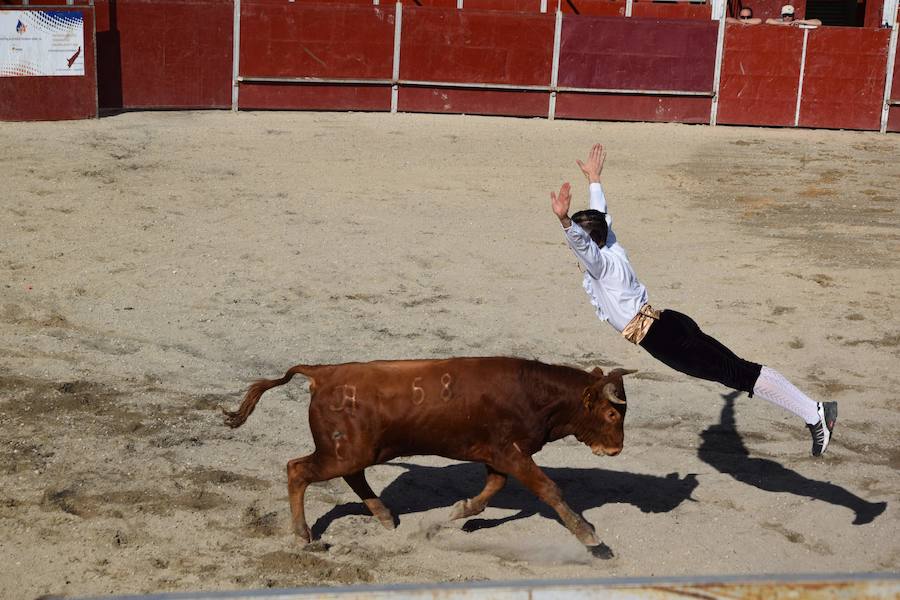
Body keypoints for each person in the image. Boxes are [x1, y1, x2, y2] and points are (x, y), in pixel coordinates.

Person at [550, 144, 837, 456]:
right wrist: (594, 180)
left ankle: (816, 414)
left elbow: (584, 244)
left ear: (587, 239)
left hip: (661, 339)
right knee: (738, 368)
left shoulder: (600, 263)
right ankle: (815, 412)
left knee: (739, 374)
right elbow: (601, 218)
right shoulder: (610, 246)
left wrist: (566, 221)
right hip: (670, 321)